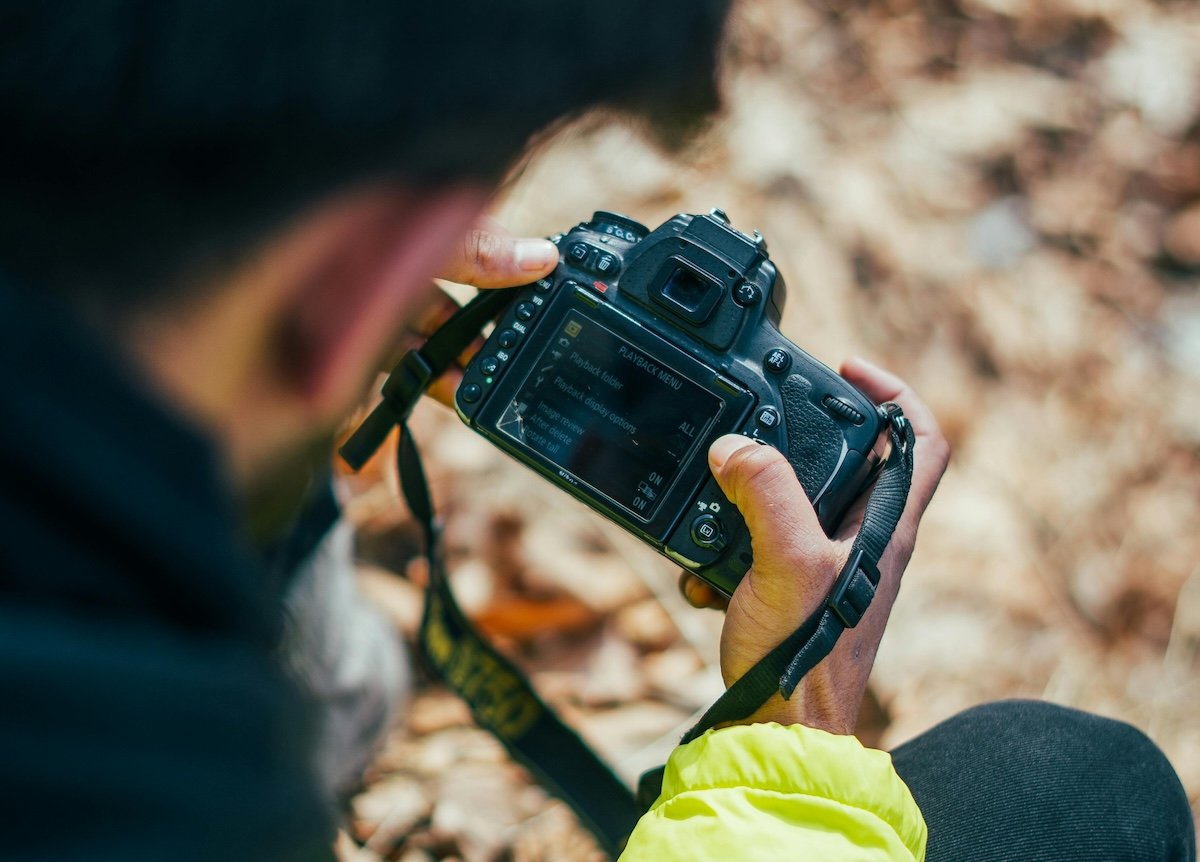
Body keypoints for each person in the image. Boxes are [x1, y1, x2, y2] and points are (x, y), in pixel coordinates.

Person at [0, 2, 1192, 861]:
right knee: (1078, 790)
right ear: (360, 271)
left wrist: (246, 392)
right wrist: (792, 732)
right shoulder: (174, 796)